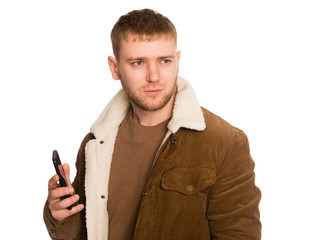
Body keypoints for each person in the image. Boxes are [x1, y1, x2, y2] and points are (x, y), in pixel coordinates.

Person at [44, 8, 261, 240]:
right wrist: (60, 215)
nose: (154, 76)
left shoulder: (225, 143)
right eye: (138, 63)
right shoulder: (96, 144)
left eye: (164, 61)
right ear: (114, 68)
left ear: (177, 61)